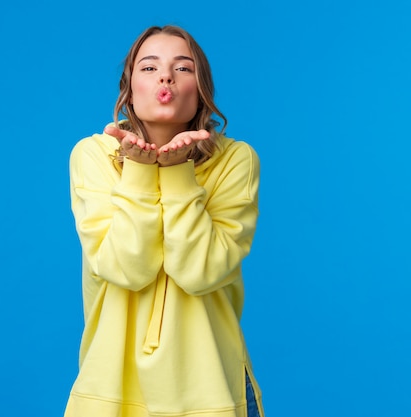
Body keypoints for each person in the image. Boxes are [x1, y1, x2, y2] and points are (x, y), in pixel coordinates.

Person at [64, 25, 264, 417]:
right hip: (111, 391)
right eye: (149, 67)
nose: (166, 77)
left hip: (212, 392)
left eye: (183, 68)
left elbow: (200, 271)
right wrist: (139, 170)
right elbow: (126, 268)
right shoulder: (93, 155)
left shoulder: (236, 160)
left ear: (201, 88)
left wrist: (176, 175)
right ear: (129, 87)